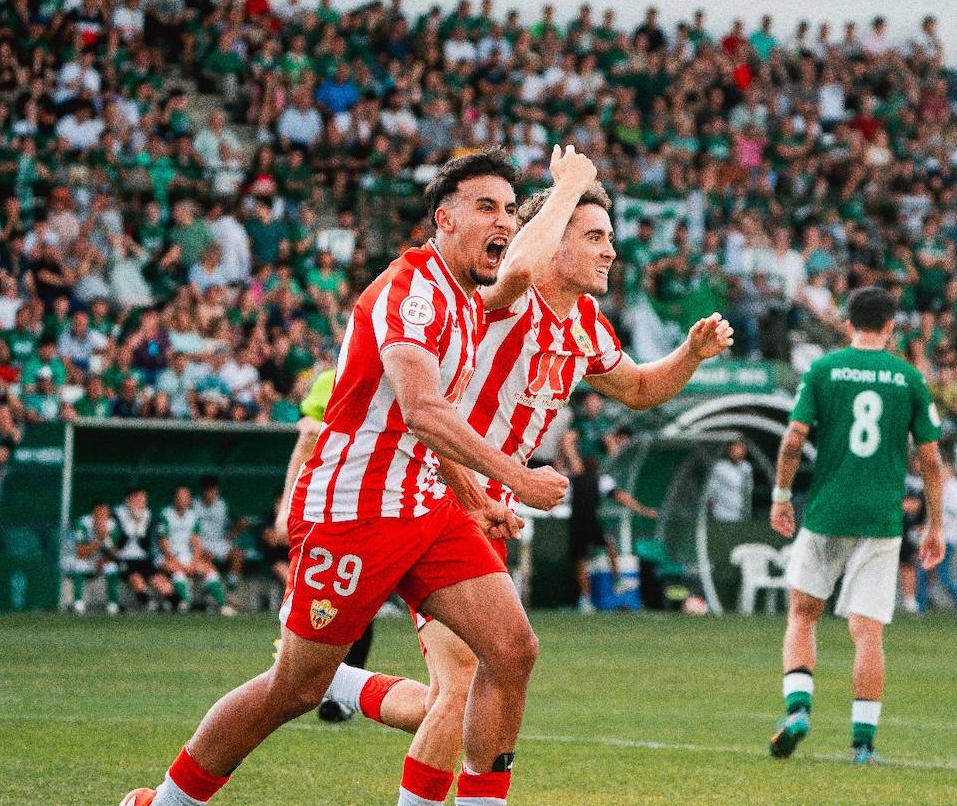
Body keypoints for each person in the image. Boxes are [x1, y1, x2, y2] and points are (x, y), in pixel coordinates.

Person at [122, 148, 571, 806]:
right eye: (485, 207)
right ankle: (165, 801)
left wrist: (473, 498)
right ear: (443, 219)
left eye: (509, 208)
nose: (501, 221)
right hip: (354, 511)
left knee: (511, 649)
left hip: (422, 505)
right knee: (292, 690)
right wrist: (517, 479)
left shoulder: (469, 298)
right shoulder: (411, 289)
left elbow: (520, 266)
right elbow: (423, 411)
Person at [313, 167, 733, 776]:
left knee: (456, 697)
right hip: (436, 490)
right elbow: (512, 273)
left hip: (485, 511)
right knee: (460, 690)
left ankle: (338, 682)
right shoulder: (502, 298)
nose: (610, 249)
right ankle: (323, 681)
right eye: (592, 235)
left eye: (609, 236)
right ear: (552, 239)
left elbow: (640, 388)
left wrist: (690, 354)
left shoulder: (585, 325)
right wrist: (563, 192)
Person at [767, 286, 945, 767]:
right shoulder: (909, 378)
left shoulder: (823, 370)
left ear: (848, 323)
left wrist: (782, 497)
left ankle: (799, 709)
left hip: (826, 512)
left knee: (803, 614)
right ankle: (863, 745)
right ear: (891, 326)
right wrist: (935, 526)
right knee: (868, 633)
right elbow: (930, 461)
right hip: (882, 520)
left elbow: (791, 443)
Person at [271, 367, 393, 721]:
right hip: (324, 507)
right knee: (314, 601)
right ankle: (299, 673)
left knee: (360, 603)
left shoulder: (411, 375)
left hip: (377, 508)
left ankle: (337, 691)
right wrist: (285, 507)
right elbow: (305, 441)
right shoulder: (332, 379)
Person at [568, 454, 660, 611]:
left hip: (576, 524)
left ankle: (586, 600)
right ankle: (616, 580)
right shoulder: (601, 480)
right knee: (609, 545)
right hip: (590, 522)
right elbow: (620, 496)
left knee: (581, 562)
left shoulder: (572, 480)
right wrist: (642, 510)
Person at [156, 484, 232, 615]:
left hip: (187, 556)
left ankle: (222, 605)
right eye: (180, 497)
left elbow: (196, 542)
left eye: (186, 497)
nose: (183, 500)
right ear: (174, 498)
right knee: (178, 572)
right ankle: (187, 603)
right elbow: (163, 543)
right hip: (166, 556)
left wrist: (194, 562)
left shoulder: (192, 516)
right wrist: (177, 563)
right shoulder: (165, 514)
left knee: (210, 570)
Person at [915, 461, 957, 613]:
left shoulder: (956, 489)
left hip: (947, 537)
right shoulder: (942, 487)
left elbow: (953, 515)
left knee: (941, 573)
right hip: (937, 536)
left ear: (950, 471)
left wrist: (931, 528)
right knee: (924, 571)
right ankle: (920, 606)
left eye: (943, 470)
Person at [113, 485, 175, 611]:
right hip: (124, 557)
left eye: (143, 499)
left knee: (159, 580)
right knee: (136, 578)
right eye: (139, 499)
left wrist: (140, 524)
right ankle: (147, 602)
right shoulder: (117, 514)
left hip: (142, 557)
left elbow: (145, 544)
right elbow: (119, 544)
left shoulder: (148, 514)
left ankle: (177, 602)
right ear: (129, 499)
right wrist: (132, 522)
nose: (142, 502)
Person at [66, 501, 120, 615]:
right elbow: (80, 552)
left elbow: (115, 555)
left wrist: (104, 556)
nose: (102, 517)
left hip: (99, 559)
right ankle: (78, 603)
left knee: (112, 566)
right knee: (79, 564)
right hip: (76, 558)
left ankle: (112, 604)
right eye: (99, 514)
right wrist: (99, 539)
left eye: (105, 514)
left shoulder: (112, 525)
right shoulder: (82, 523)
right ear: (93, 514)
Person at [194, 474, 246, 590]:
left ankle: (231, 584)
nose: (212, 493)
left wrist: (231, 535)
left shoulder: (223, 504)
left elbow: (242, 522)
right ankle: (211, 585)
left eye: (215, 489)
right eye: (209, 490)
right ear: (203, 491)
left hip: (220, 542)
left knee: (238, 554)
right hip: (201, 543)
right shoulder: (194, 505)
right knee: (205, 556)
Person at [705, 438, 754, 523]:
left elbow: (748, 490)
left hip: (741, 515)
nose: (738, 451)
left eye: (741, 448)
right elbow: (710, 491)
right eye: (735, 448)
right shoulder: (719, 467)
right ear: (729, 450)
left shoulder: (747, 467)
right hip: (722, 515)